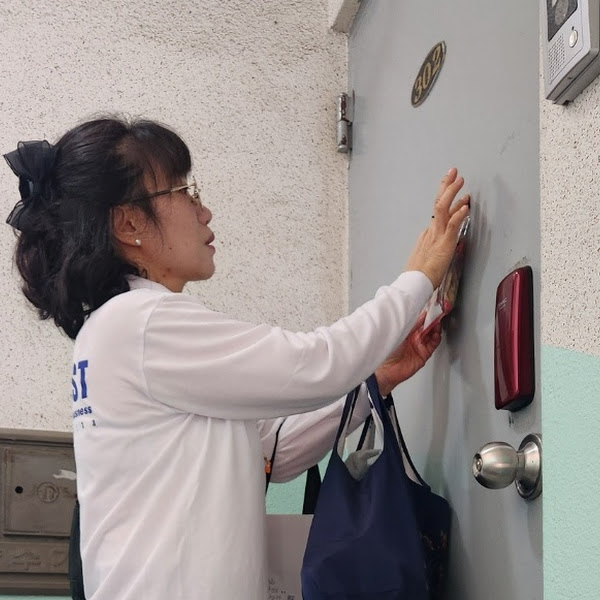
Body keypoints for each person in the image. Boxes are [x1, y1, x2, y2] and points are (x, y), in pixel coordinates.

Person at [3, 117, 470, 600]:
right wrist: (420, 277)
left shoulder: (114, 331)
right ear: (128, 223)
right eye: (185, 192)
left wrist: (378, 378)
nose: (204, 212)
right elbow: (317, 363)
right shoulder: (140, 324)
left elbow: (271, 454)